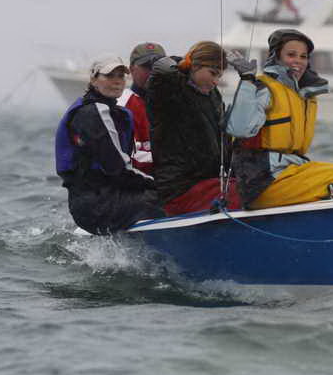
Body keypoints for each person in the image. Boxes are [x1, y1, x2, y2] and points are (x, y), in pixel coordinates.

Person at [225, 28, 333, 209]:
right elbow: (239, 128)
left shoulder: (304, 95)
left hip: (291, 171)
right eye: (291, 55)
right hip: (260, 183)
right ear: (276, 57)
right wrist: (247, 80)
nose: (298, 61)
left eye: (304, 56)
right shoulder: (263, 88)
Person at [54, 56, 163, 234]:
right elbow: (117, 168)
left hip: (103, 197)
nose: (117, 81)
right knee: (171, 198)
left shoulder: (115, 112)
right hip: (97, 206)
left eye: (120, 76)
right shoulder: (93, 113)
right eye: (109, 76)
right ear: (93, 80)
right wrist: (161, 185)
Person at [147, 40, 242, 216]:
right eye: (213, 73)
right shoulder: (170, 90)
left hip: (210, 183)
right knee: (243, 194)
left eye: (219, 76)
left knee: (253, 185)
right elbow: (159, 74)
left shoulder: (212, 95)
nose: (216, 81)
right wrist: (180, 64)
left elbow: (225, 143)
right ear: (195, 65)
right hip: (180, 190)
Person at [118, 42, 165, 174]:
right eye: (146, 66)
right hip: (139, 182)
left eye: (158, 67)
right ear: (131, 69)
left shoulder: (175, 103)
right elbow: (124, 158)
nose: (152, 72)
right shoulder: (121, 106)